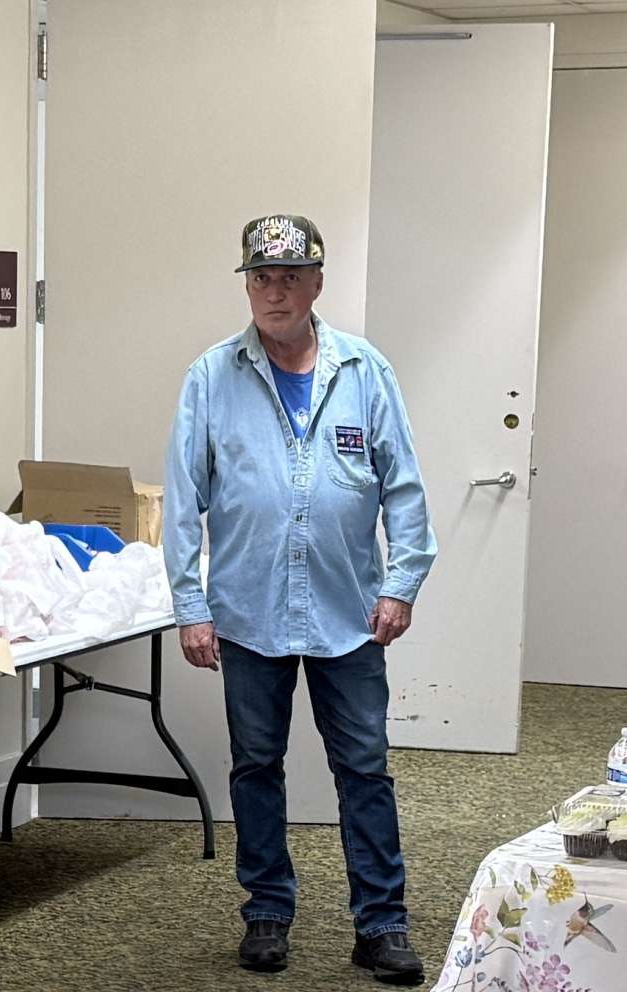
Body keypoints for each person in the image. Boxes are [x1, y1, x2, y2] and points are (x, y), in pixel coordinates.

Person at [163, 214, 437, 985]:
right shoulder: (211, 376)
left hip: (350, 614)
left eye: (290, 277)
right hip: (248, 613)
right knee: (256, 765)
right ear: (246, 284)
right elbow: (183, 501)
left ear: (317, 283)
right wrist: (191, 605)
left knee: (365, 769)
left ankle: (381, 925)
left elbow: (404, 487)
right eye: (261, 278)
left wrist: (401, 583)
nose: (274, 292)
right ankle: (266, 912)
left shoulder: (364, 370)